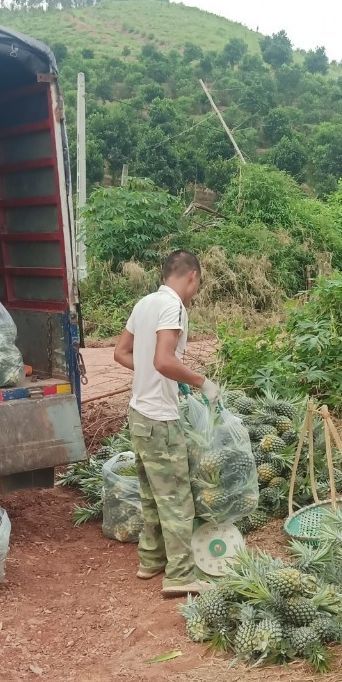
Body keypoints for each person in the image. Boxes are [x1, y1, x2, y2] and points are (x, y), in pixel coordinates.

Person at [113, 250, 220, 597]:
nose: (196, 290)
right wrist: (201, 381)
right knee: (176, 497)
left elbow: (121, 352)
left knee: (151, 492)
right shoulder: (173, 307)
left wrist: (155, 371)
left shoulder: (145, 303)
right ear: (192, 275)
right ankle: (180, 575)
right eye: (198, 283)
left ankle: (151, 559)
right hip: (160, 417)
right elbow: (163, 360)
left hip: (138, 413)